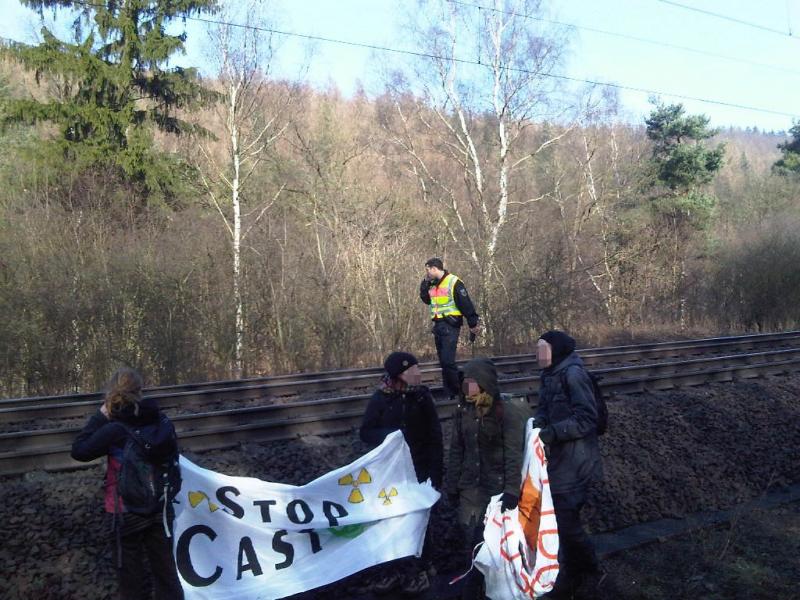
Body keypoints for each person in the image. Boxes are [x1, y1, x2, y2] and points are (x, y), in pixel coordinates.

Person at [71, 367, 184, 600]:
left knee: (131, 579)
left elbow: (79, 450)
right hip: (160, 507)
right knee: (166, 574)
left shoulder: (114, 429)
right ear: (140, 391)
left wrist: (100, 415)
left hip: (125, 509)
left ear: (113, 393)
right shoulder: (161, 421)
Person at [360, 351, 444, 595]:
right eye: (413, 370)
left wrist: (435, 476)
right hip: (393, 475)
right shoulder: (381, 399)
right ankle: (394, 570)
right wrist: (392, 436)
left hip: (419, 470)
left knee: (419, 521)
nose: (418, 373)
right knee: (394, 521)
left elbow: (434, 437)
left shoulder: (422, 398)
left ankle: (420, 570)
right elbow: (366, 432)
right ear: (400, 375)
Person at [445, 357, 529, 600]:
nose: (466, 387)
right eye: (465, 382)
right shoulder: (463, 411)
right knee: (468, 536)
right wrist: (452, 485)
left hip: (496, 489)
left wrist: (512, 490)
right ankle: (475, 586)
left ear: (484, 383)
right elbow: (456, 451)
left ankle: (486, 589)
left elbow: (513, 453)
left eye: (472, 382)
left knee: (491, 543)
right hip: (470, 487)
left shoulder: (505, 411)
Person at [533, 331, 604, 600]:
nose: (537, 355)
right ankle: (576, 572)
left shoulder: (573, 374)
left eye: (542, 349)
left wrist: (553, 432)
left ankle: (585, 571)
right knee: (562, 519)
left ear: (556, 350)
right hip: (560, 460)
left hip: (577, 461)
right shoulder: (549, 374)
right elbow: (544, 408)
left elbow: (588, 419)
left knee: (566, 520)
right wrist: (538, 423)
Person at [419, 257, 481, 400]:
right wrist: (424, 286)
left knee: (448, 361)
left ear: (434, 269)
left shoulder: (454, 282)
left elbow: (465, 304)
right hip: (438, 326)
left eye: (428, 270)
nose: (426, 273)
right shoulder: (432, 284)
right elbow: (427, 300)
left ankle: (462, 390)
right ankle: (451, 392)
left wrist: (473, 323)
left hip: (450, 325)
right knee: (444, 363)